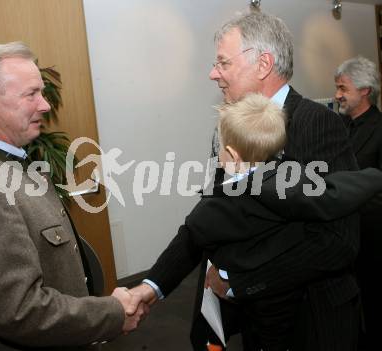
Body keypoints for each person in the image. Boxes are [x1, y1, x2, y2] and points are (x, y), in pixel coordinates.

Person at [133, 10, 361, 351]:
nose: (213, 74)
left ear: (263, 64)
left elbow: (337, 241)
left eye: (223, 63)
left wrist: (236, 281)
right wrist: (151, 286)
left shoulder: (316, 123)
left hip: (311, 320)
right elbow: (211, 218)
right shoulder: (232, 126)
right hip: (254, 321)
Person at [0, 42, 146, 351]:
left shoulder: (4, 160)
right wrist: (112, 313)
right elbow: (21, 312)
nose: (45, 105)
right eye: (31, 94)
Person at [334, 56, 382, 351]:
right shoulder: (336, 126)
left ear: (364, 90)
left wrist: (345, 205)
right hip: (340, 238)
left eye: (343, 88)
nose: (337, 95)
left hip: (373, 240)